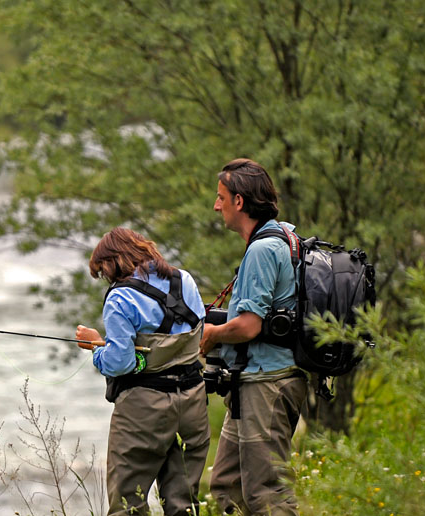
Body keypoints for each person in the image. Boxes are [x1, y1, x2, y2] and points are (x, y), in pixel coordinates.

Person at [199, 158, 309, 515]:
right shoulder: (284, 237)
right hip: (254, 383)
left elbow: (248, 326)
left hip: (268, 384)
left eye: (221, 198)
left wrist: (213, 333)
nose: (217, 206)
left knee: (268, 495)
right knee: (227, 487)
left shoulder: (263, 250)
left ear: (239, 201)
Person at [74, 227, 209, 516]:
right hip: (193, 400)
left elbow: (120, 363)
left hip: (145, 409)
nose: (106, 278)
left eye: (103, 271)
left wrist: (96, 348)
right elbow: (199, 333)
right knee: (183, 503)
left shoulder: (120, 299)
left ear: (113, 262)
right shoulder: (183, 279)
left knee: (127, 504)